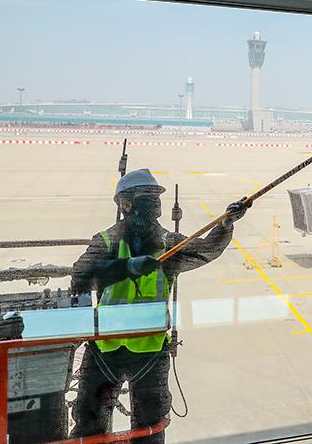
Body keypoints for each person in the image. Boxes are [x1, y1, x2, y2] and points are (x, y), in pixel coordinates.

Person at [69, 169, 249, 443]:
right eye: (148, 198)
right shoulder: (106, 241)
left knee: (149, 429)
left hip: (150, 349)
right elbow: (81, 276)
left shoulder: (169, 244)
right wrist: (127, 267)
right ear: (126, 204)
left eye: (157, 200)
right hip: (106, 348)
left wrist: (224, 225)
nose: (156, 206)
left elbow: (205, 251)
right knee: (89, 425)